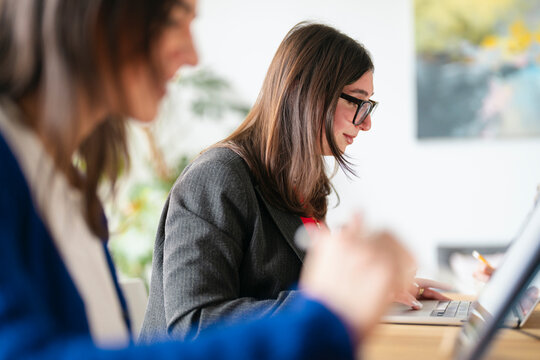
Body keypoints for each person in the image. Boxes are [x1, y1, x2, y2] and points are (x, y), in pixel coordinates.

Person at [0, 0, 415, 359]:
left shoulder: (69, 187)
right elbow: (192, 322)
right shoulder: (218, 177)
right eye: (176, 18)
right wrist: (322, 310)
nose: (194, 55)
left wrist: (357, 286)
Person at [141, 21, 445, 342]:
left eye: (369, 105)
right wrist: (335, 297)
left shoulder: (305, 184)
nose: (366, 122)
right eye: (357, 101)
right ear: (309, 93)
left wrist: (372, 290)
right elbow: (193, 323)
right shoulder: (216, 177)